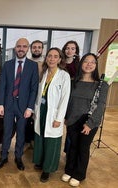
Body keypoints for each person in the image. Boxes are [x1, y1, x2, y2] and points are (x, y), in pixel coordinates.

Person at [61, 53, 108, 187]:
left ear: (96, 65)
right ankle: (69, 170)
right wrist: (65, 117)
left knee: (83, 147)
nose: (89, 64)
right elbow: (68, 101)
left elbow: (101, 106)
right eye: (86, 61)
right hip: (72, 120)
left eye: (92, 62)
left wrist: (90, 124)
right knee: (72, 146)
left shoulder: (101, 85)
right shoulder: (73, 82)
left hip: (88, 121)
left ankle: (79, 174)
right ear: (81, 64)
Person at [0, 38, 39, 171]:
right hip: (8, 104)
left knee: (21, 133)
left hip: (24, 106)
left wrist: (30, 107)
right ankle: (3, 156)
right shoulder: (7, 65)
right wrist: (0, 104)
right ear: (15, 48)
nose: (21, 49)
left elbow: (34, 88)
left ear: (28, 48)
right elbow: (2, 86)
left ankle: (18, 157)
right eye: (19, 46)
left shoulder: (32, 66)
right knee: (7, 132)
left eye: (24, 46)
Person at [33, 47, 71, 182]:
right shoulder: (44, 73)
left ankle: (47, 169)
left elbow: (65, 99)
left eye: (55, 56)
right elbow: (39, 95)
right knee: (40, 137)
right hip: (41, 110)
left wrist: (59, 118)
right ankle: (40, 161)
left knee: (51, 141)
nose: (52, 59)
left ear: (60, 59)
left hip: (54, 113)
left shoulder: (64, 76)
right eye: (49, 56)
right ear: (46, 58)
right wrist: (35, 110)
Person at [24, 39, 45, 151]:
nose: (36, 49)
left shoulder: (46, 63)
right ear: (31, 49)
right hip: (28, 96)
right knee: (27, 119)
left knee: (38, 119)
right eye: (34, 47)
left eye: (39, 47)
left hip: (41, 96)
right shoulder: (26, 62)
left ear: (42, 49)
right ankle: (27, 141)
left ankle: (35, 142)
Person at [62, 40, 80, 154]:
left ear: (76, 51)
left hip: (73, 95)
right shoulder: (60, 62)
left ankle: (69, 151)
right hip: (61, 93)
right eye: (67, 48)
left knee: (70, 123)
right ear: (64, 49)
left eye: (72, 48)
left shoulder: (79, 64)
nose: (69, 50)